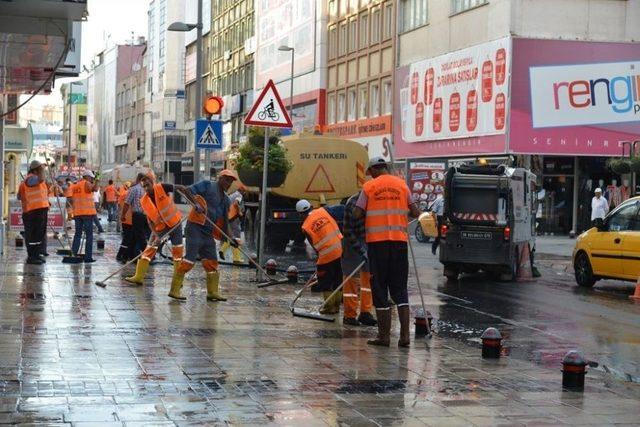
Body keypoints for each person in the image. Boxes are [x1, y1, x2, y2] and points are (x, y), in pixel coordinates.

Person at [353, 157, 420, 348]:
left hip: (378, 245)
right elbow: (415, 212)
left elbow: (356, 213)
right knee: (400, 289)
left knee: (380, 289)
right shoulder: (402, 185)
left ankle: (384, 337)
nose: (370, 175)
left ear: (374, 169)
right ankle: (405, 337)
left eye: (370, 171)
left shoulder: (369, 187)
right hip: (399, 243)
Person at [172, 169, 237, 301]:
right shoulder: (207, 185)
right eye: (227, 179)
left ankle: (212, 292)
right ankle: (175, 290)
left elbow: (225, 223)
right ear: (220, 178)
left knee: (212, 262)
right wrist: (195, 204)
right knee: (190, 259)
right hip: (195, 228)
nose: (228, 183)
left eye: (230, 181)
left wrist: (232, 238)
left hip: (208, 232)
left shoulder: (225, 200)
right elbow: (187, 190)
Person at [125, 173, 184, 285]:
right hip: (160, 227)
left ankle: (178, 280)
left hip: (175, 223)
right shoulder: (144, 200)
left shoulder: (161, 187)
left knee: (177, 253)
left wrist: (194, 202)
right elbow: (150, 221)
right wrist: (157, 235)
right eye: (144, 186)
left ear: (152, 183)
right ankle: (138, 277)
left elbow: (181, 188)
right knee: (148, 250)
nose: (146, 188)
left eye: (148, 185)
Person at [297, 199, 344, 315]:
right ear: (311, 207)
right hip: (341, 250)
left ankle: (329, 307)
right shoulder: (324, 211)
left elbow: (314, 245)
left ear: (300, 214)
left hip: (327, 256)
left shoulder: (306, 226)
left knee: (326, 282)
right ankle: (337, 307)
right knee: (338, 280)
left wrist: (319, 260)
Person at [341, 191, 377, 327]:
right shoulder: (353, 203)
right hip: (352, 241)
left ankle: (366, 313)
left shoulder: (377, 201)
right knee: (351, 278)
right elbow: (347, 231)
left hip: (369, 241)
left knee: (368, 278)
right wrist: (361, 250)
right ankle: (349, 315)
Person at [17, 160, 50, 265]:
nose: (42, 170)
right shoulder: (30, 179)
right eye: (40, 169)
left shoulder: (31, 180)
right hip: (33, 212)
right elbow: (40, 179)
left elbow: (19, 196)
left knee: (38, 235)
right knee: (33, 236)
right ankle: (32, 257)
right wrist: (42, 170)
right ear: (35, 170)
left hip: (39, 210)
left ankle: (36, 255)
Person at [71, 170, 99, 262]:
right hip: (87, 213)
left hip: (77, 213)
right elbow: (95, 189)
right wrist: (97, 180)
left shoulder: (76, 185)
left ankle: (73, 254)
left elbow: (71, 198)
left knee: (77, 234)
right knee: (89, 236)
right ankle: (88, 257)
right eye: (91, 178)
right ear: (87, 177)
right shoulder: (86, 183)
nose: (91, 179)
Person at [122, 173, 149, 257]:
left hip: (137, 216)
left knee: (140, 237)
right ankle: (130, 255)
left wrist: (123, 215)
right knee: (136, 235)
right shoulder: (145, 189)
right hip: (145, 215)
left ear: (137, 178)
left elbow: (127, 203)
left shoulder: (134, 189)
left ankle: (148, 255)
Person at [219, 185, 245, 264]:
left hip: (228, 217)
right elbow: (236, 203)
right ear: (242, 191)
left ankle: (222, 250)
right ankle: (236, 258)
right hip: (234, 217)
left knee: (232, 236)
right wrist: (240, 212)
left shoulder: (232, 194)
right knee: (237, 237)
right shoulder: (239, 195)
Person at [116, 182, 133, 262]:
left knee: (126, 238)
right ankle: (122, 255)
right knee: (128, 239)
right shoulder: (131, 194)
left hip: (124, 220)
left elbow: (119, 206)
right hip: (131, 220)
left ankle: (122, 255)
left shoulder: (122, 195)